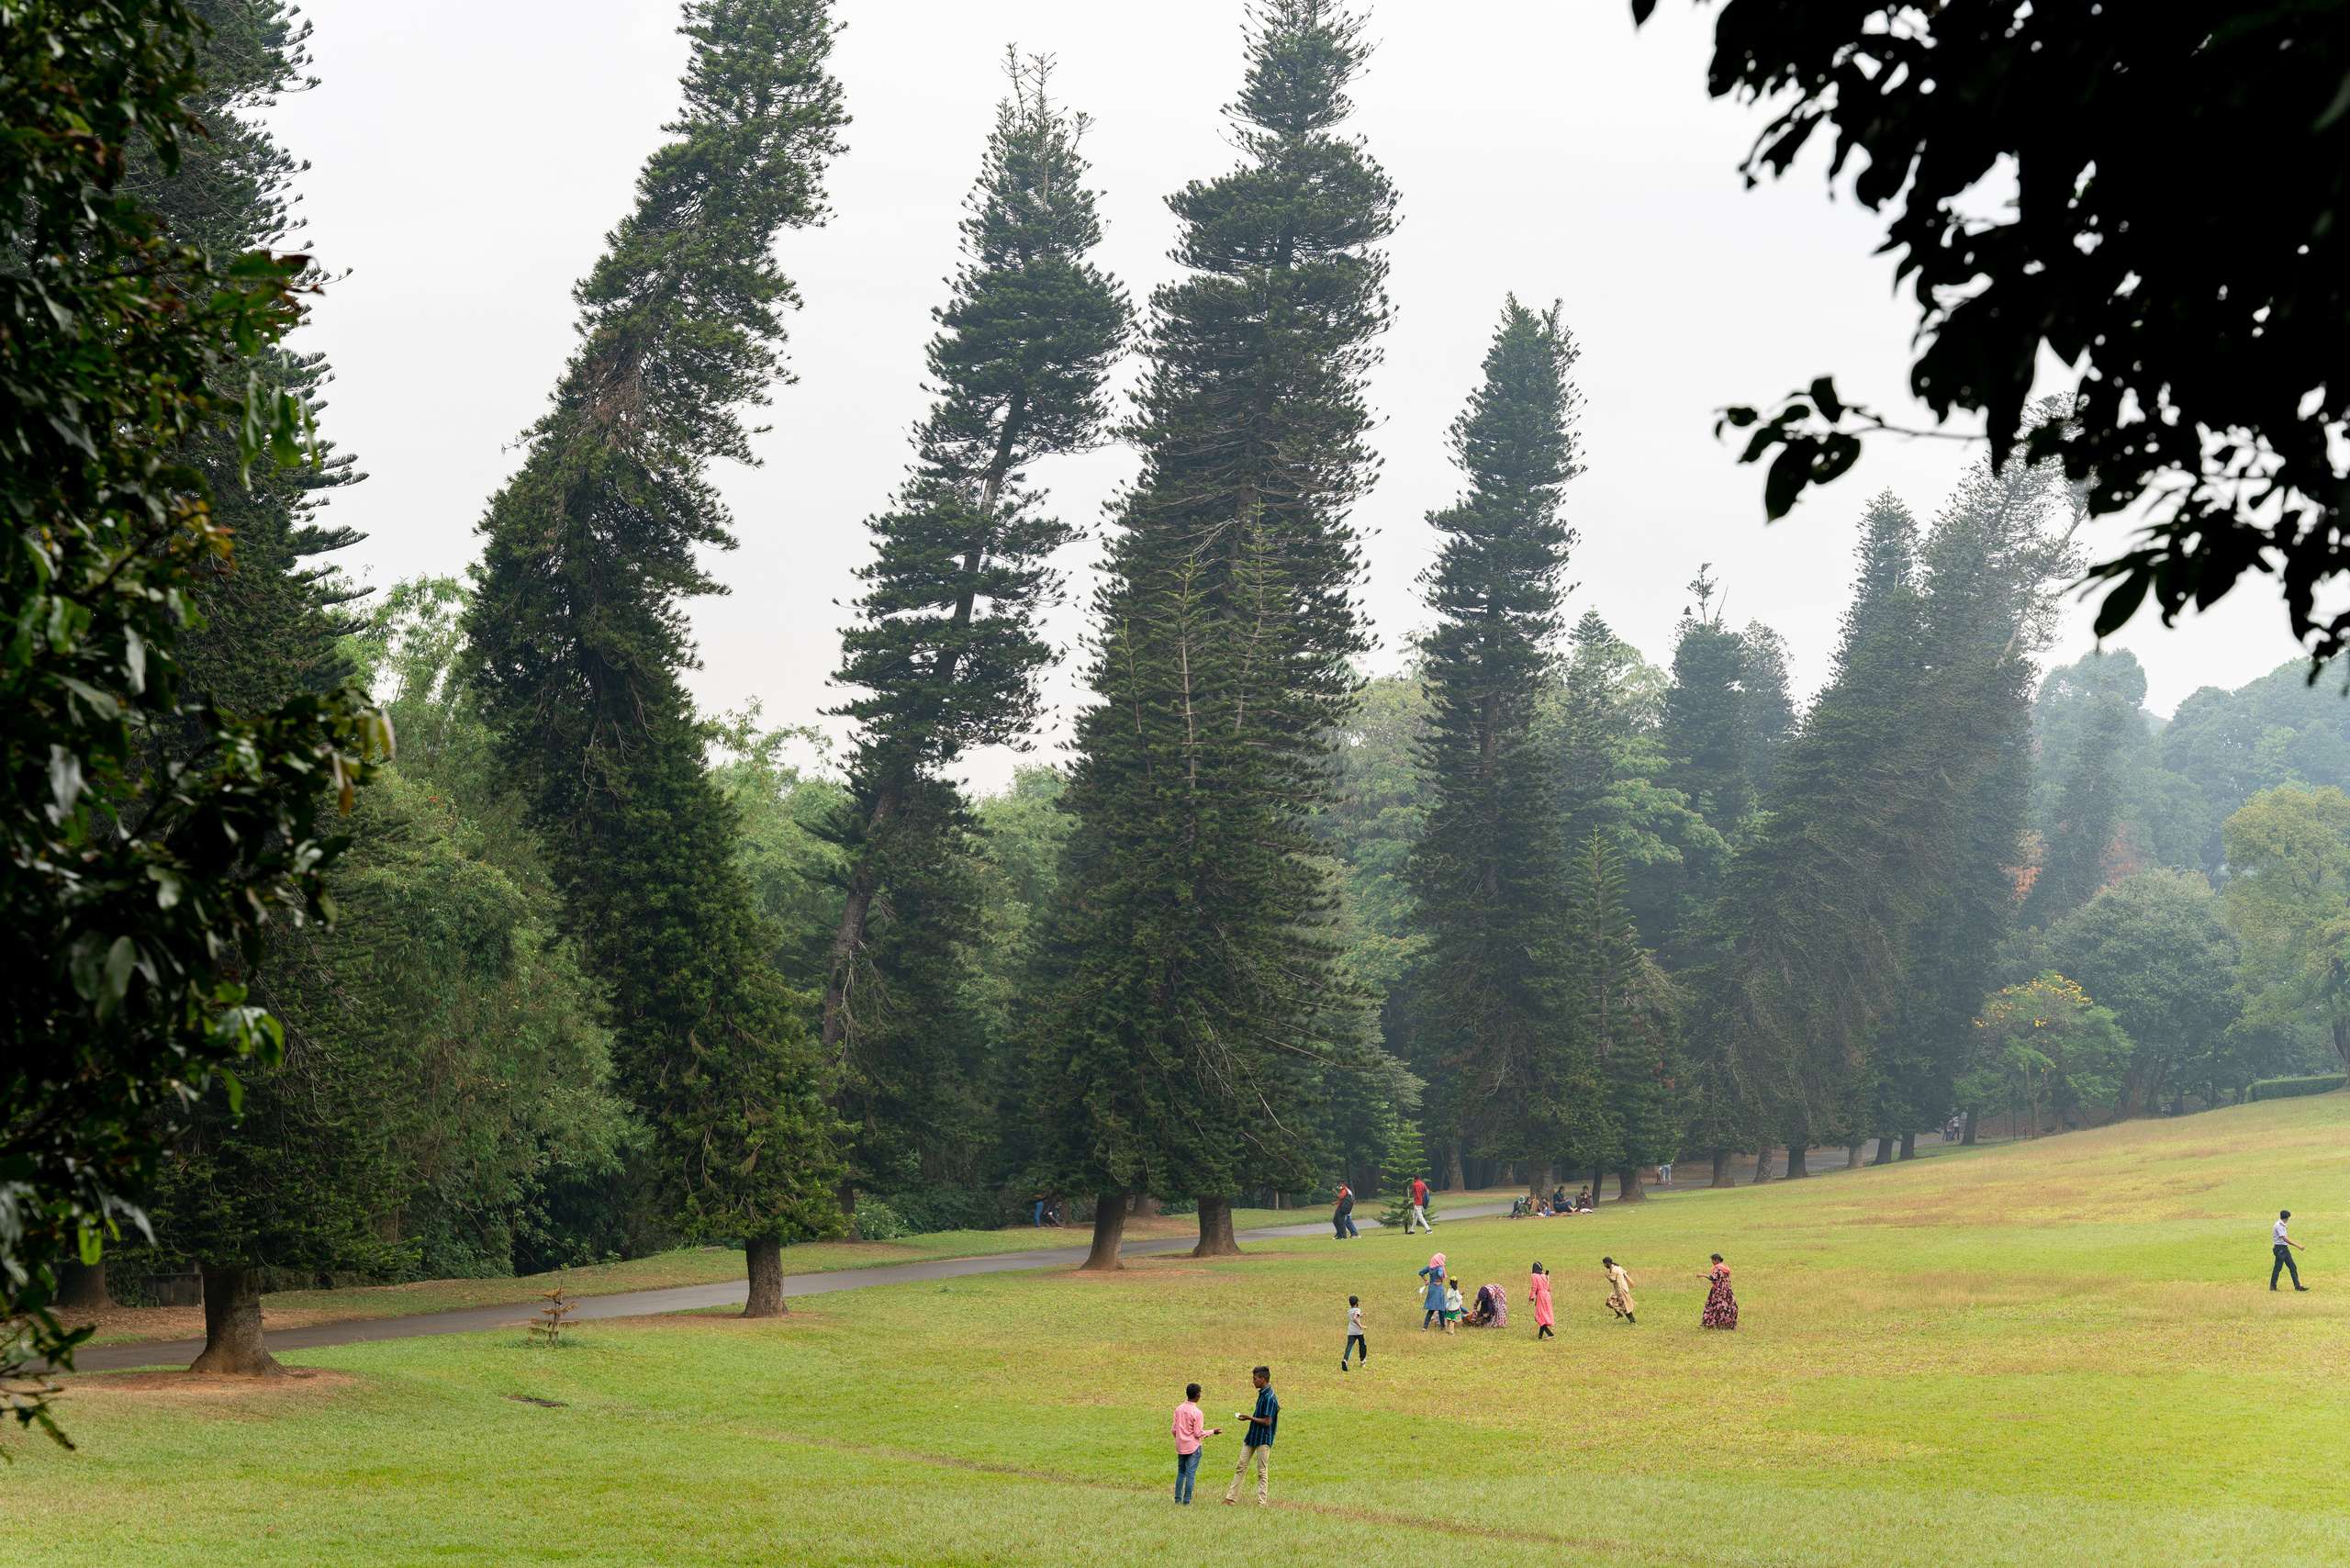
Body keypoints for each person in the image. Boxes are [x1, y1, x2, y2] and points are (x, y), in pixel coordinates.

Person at [1225, 1366, 1278, 1505]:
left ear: (1262, 1379)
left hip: (1263, 1439)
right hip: (1252, 1436)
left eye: (1254, 1379)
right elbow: (1277, 1408)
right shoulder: (1264, 1394)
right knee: (1241, 1466)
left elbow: (1267, 1422)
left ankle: (1261, 1503)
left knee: (1262, 1472)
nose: (1253, 1381)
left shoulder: (1269, 1397)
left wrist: (1249, 1417)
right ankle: (1231, 1498)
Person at [1170, 1383, 1221, 1503]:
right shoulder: (1198, 1413)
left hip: (1181, 1447)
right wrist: (1212, 1431)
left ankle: (1177, 1499)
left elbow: (1174, 1430)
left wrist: (1181, 1438)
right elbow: (1198, 1433)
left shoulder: (1179, 1409)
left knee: (1181, 1472)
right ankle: (1186, 1501)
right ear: (1198, 1395)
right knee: (1190, 1474)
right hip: (1193, 1447)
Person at [2273, 1210, 2310, 1291]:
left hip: (2284, 1249)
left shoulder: (2282, 1225)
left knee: (2293, 1267)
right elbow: (2285, 1239)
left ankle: (2297, 1286)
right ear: (2286, 1218)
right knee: (2277, 1268)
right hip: (2280, 1249)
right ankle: (2273, 1287)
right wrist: (2298, 1245)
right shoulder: (2279, 1225)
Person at [1701, 1253, 1739, 1328]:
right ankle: (1728, 1323)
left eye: (1713, 1261)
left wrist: (1703, 1275)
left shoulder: (1717, 1268)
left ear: (1717, 1260)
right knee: (1728, 1305)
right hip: (1727, 1289)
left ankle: (1713, 1323)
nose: (1712, 1262)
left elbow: (1714, 1278)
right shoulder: (1725, 1267)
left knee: (1714, 1305)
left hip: (1718, 1290)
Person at [1603, 1256, 1637, 1324]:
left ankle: (1631, 1319)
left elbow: (1612, 1280)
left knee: (1621, 1305)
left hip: (1620, 1289)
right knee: (1613, 1302)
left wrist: (1608, 1276)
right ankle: (1621, 1314)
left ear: (1607, 1263)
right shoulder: (1617, 1267)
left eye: (1605, 1264)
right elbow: (1625, 1272)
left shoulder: (1614, 1269)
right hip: (1620, 1288)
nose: (1604, 1266)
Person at [1419, 1252, 1449, 1329]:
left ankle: (1425, 1326)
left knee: (1431, 1309)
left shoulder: (1430, 1267)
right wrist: (1441, 1281)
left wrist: (1426, 1280)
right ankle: (1443, 1326)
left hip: (1431, 1288)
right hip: (1438, 1289)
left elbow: (1421, 1272)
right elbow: (1440, 1274)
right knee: (1441, 1308)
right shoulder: (1439, 1267)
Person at [1529, 1262, 1556, 1339]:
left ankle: (1550, 1334)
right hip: (1547, 1295)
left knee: (1538, 1316)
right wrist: (1548, 1280)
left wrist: (1531, 1297)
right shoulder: (1544, 1276)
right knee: (1542, 1314)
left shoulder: (1534, 1275)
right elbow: (1548, 1289)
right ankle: (1540, 1337)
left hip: (1541, 1296)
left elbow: (1534, 1286)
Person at [1342, 1295, 1367, 1371]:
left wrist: (1360, 1316)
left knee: (1349, 1346)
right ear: (1357, 1303)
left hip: (1351, 1331)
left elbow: (1353, 1318)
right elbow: (1354, 1318)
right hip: (1358, 1331)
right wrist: (1361, 1326)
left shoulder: (1350, 1310)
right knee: (1363, 1345)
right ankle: (1362, 1361)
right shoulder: (1357, 1310)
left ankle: (1345, 1360)